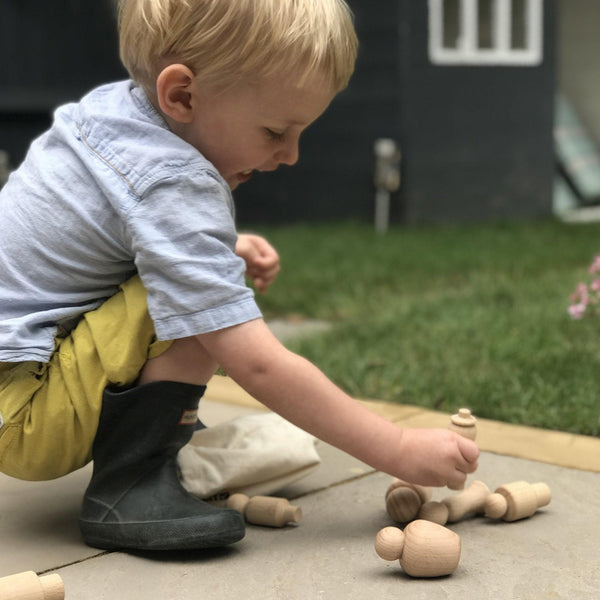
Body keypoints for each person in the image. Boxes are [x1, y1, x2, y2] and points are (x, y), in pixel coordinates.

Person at [0, 0, 479, 552]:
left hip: (19, 380)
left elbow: (112, 224)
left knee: (200, 284)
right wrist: (396, 447)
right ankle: (130, 481)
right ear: (180, 95)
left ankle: (157, 430)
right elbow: (256, 360)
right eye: (276, 130)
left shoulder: (114, 113)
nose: (291, 154)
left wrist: (220, 246)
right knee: (204, 307)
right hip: (27, 419)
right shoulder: (174, 180)